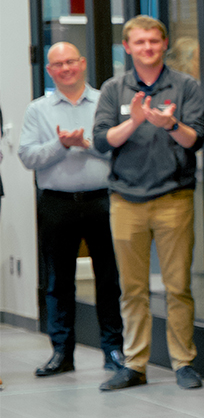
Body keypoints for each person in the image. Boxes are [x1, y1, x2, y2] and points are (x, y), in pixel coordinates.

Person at [94, 15, 204, 391]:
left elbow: (196, 140)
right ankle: (135, 363)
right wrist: (135, 121)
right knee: (133, 288)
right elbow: (100, 141)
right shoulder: (114, 89)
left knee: (178, 286)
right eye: (139, 42)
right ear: (127, 47)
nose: (147, 48)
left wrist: (171, 125)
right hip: (126, 200)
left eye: (153, 42)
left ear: (164, 44)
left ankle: (183, 362)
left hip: (174, 197)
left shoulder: (186, 86)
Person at [18, 42, 124, 376]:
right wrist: (61, 145)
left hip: (103, 200)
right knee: (58, 281)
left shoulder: (104, 103)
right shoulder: (38, 109)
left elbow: (118, 152)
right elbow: (27, 156)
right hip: (57, 204)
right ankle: (61, 353)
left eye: (71, 62)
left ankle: (114, 350)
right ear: (49, 71)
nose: (66, 68)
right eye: (58, 64)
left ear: (83, 63)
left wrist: (86, 145)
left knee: (109, 279)